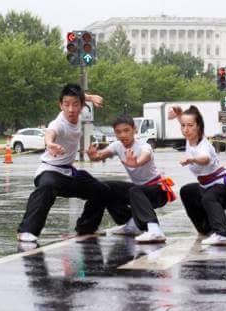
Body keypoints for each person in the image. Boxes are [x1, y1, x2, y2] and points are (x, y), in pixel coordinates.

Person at [16, 84, 131, 244]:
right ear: (60, 105)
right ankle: (27, 231)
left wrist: (91, 97)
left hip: (69, 173)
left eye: (75, 105)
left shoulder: (81, 112)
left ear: (82, 105)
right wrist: (49, 143)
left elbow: (79, 95)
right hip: (50, 171)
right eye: (66, 105)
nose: (70, 109)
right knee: (47, 187)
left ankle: (87, 227)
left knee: (101, 190)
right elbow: (51, 132)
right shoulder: (59, 123)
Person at [87, 115, 175, 244]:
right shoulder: (117, 146)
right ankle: (131, 224)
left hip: (157, 190)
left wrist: (136, 162)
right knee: (105, 187)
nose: (123, 135)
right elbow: (101, 155)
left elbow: (145, 156)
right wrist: (94, 156)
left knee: (135, 190)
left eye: (126, 130)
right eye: (118, 132)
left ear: (135, 130)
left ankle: (155, 230)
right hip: (138, 191)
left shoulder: (144, 146)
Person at [169, 105, 226, 246]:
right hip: (208, 186)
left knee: (210, 197)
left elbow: (205, 158)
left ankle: (223, 234)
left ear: (198, 126)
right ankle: (205, 229)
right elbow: (185, 121)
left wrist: (192, 159)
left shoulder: (202, 144)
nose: (186, 129)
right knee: (187, 191)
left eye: (190, 126)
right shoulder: (190, 138)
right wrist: (179, 114)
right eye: (183, 126)